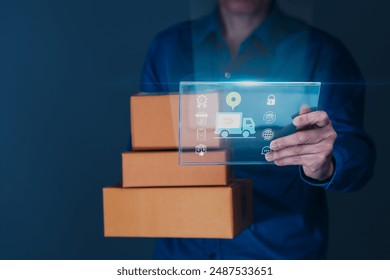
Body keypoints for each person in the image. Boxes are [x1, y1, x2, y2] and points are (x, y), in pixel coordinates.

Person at [140, 0, 375, 259]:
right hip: (182, 253)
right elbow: (143, 151)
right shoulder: (168, 47)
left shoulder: (322, 52)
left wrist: (327, 164)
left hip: (276, 253)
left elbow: (357, 155)